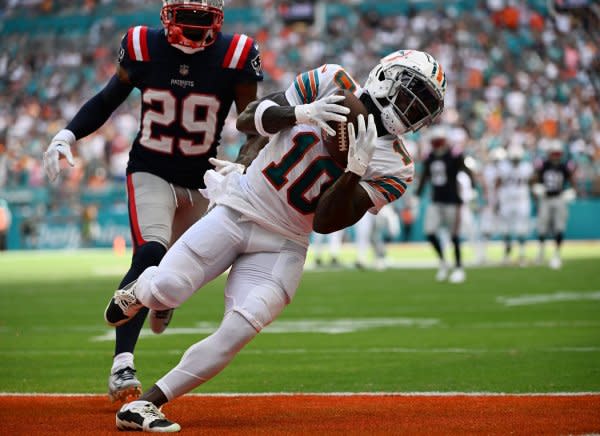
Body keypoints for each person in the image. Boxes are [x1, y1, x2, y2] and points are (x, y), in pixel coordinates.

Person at [103, 49, 446, 432]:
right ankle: (140, 290)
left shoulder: (398, 167)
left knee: (239, 329)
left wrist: (353, 171)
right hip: (240, 206)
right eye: (410, 94)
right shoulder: (331, 80)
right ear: (385, 77)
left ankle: (145, 405)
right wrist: (301, 113)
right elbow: (250, 120)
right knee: (166, 289)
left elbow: (327, 223)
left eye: (423, 107)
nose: (412, 109)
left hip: (285, 241)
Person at [42, 0, 268, 403]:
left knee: (189, 266)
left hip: (203, 181)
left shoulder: (236, 55)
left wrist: (243, 165)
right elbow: (108, 99)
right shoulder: (142, 45)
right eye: (187, 15)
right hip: (151, 170)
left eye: (201, 17)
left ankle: (163, 297)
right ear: (168, 14)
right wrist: (67, 135)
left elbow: (252, 122)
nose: (194, 25)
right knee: (149, 252)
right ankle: (122, 362)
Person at [414, 125, 473, 283]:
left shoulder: (454, 156)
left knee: (454, 237)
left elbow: (467, 171)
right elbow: (425, 176)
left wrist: (472, 189)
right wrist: (417, 194)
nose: (437, 145)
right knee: (430, 232)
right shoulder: (430, 157)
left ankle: (459, 268)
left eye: (439, 141)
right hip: (436, 200)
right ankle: (443, 262)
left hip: (453, 201)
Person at [531, 139, 577, 269]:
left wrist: (571, 190)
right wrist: (536, 188)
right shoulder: (543, 165)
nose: (556, 156)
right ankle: (541, 252)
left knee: (559, 227)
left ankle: (557, 254)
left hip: (559, 198)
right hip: (545, 198)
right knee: (542, 227)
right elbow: (534, 179)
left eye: (558, 153)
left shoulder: (563, 167)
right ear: (549, 153)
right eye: (554, 153)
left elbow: (572, 180)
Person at [496, 145, 533, 266]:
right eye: (514, 159)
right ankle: (507, 253)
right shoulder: (503, 167)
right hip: (507, 201)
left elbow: (532, 181)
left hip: (521, 201)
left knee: (521, 229)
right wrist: (498, 199)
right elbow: (498, 183)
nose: (515, 161)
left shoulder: (526, 167)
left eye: (517, 159)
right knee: (505, 229)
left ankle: (521, 254)